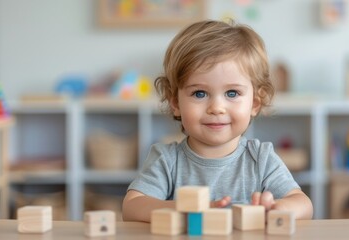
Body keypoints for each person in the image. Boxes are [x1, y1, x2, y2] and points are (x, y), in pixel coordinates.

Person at [122, 19, 313, 222]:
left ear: (255, 103)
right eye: (199, 93)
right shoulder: (166, 160)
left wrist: (277, 208)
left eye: (232, 93)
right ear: (175, 102)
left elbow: (303, 205)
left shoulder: (261, 159)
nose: (216, 108)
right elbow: (132, 207)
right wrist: (185, 209)